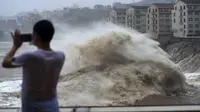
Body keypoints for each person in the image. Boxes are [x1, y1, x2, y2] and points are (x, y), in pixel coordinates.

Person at [2, 20, 65, 112]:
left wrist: (15, 46)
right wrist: (36, 40)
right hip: (52, 105)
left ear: (36, 35)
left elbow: (5, 63)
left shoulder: (29, 56)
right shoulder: (60, 56)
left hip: (32, 107)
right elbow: (43, 55)